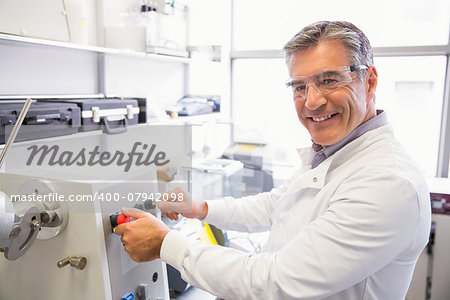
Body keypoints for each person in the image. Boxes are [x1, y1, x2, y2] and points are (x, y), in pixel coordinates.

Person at [115, 21, 431, 299]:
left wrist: (165, 244)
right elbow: (274, 205)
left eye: (329, 80)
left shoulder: (387, 183)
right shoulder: (333, 152)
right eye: (299, 86)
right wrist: (201, 209)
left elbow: (274, 282)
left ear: (370, 81)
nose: (312, 101)